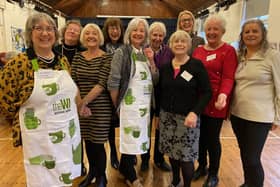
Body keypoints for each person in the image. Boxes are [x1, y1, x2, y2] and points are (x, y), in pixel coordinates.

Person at [0, 12, 82, 187]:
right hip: (37, 137)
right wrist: (19, 121)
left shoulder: (62, 61)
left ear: (55, 34)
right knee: (42, 180)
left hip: (64, 134)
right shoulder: (18, 64)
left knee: (63, 175)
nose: (45, 33)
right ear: (30, 33)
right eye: (39, 29)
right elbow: (4, 99)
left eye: (50, 29)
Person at [107, 17, 158, 187]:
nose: (138, 33)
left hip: (144, 107)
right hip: (128, 106)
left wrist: (151, 61)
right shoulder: (122, 52)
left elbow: (155, 79)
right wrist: (118, 105)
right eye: (135, 30)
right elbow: (113, 82)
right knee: (130, 138)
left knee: (139, 138)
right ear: (129, 32)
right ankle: (130, 173)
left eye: (142, 31)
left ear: (145, 35)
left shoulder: (146, 53)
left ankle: (124, 166)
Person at [158, 30, 212, 187]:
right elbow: (160, 92)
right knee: (172, 154)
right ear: (171, 45)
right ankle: (175, 181)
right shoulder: (165, 67)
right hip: (167, 118)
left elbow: (207, 92)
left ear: (189, 45)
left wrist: (195, 112)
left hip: (188, 119)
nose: (180, 44)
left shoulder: (196, 65)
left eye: (183, 41)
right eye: (176, 41)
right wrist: (157, 116)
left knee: (186, 158)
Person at [230, 19, 280, 187]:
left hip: (260, 117)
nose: (250, 34)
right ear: (242, 36)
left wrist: (277, 118)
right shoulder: (240, 56)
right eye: (247, 32)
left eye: (254, 31)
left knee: (252, 159)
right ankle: (248, 183)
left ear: (263, 34)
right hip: (238, 114)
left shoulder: (272, 56)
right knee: (245, 155)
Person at [192, 15, 238, 187]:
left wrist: (223, 95)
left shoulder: (228, 51)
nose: (211, 32)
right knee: (200, 138)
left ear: (223, 32)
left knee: (212, 138)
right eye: (209, 29)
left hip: (217, 102)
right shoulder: (198, 50)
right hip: (198, 102)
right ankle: (202, 166)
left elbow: (228, 77)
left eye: (215, 29)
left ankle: (213, 173)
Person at [71, 23, 112, 187]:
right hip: (81, 106)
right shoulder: (77, 57)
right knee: (87, 141)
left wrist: (83, 103)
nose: (91, 36)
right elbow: (72, 82)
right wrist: (80, 104)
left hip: (100, 107)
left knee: (98, 143)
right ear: (83, 37)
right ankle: (91, 174)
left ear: (100, 37)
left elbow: (102, 84)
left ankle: (102, 177)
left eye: (94, 33)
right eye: (87, 33)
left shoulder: (107, 57)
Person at [140, 21, 173, 172]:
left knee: (161, 129)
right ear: (149, 35)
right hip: (144, 95)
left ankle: (159, 159)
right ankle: (145, 159)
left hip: (163, 96)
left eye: (160, 35)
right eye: (154, 34)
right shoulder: (142, 51)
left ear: (164, 37)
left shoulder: (169, 52)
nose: (157, 38)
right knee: (145, 128)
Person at [102, 17, 125, 170]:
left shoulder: (126, 46)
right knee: (110, 125)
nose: (114, 31)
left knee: (125, 123)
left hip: (123, 91)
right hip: (105, 91)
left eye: (117, 28)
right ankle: (113, 155)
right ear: (107, 30)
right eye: (111, 28)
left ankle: (126, 155)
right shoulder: (101, 47)